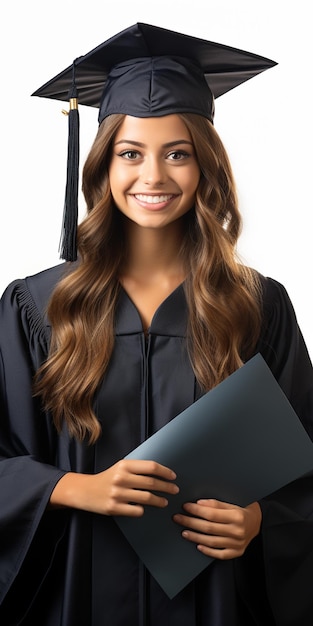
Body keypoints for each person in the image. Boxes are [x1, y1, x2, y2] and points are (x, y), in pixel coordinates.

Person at [0, 22, 313, 626]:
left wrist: (260, 521)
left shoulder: (257, 307)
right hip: (75, 596)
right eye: (130, 153)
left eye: (178, 153)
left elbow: (303, 461)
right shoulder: (37, 308)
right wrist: (70, 488)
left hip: (215, 600)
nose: (153, 177)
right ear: (102, 165)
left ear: (205, 166)